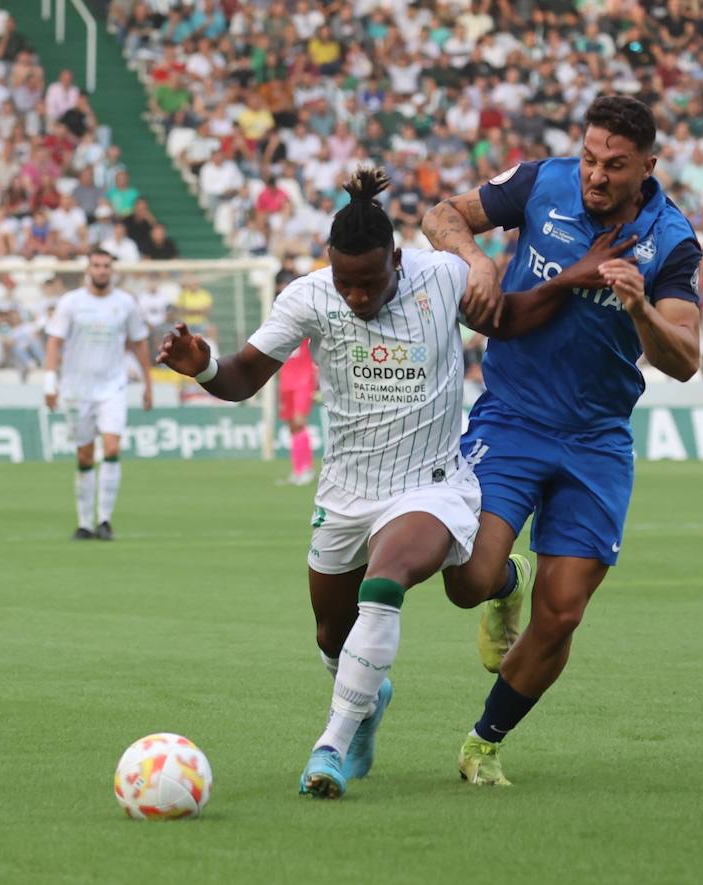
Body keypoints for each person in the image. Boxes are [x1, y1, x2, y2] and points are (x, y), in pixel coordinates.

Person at [157, 167, 634, 799]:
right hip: (346, 492)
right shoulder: (308, 297)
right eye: (346, 282)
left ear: (398, 261)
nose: (357, 296)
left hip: (431, 486)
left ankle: (329, 748)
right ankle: (368, 696)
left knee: (385, 585)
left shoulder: (441, 277)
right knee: (332, 634)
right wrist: (204, 367)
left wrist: (569, 279)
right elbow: (244, 375)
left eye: (370, 282)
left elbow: (508, 318)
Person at [422, 95, 702, 785]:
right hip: (512, 417)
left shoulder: (672, 240)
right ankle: (506, 581)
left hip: (596, 440)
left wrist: (639, 308)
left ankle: (483, 743)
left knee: (564, 612)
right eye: (589, 158)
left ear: (647, 167)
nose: (596, 175)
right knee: (467, 582)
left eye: (615, 165)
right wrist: (476, 260)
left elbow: (685, 358)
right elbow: (441, 215)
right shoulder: (540, 183)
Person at [43, 249, 153, 541]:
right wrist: (50, 382)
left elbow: (140, 343)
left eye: (106, 266)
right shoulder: (71, 302)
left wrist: (148, 383)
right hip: (77, 389)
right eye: (97, 265)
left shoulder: (125, 303)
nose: (102, 270)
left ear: (112, 270)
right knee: (85, 454)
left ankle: (105, 520)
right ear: (88, 269)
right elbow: (54, 342)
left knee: (112, 448)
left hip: (113, 387)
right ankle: (84, 522)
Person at [277, 337, 317, 486]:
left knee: (299, 422)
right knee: (292, 426)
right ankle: (297, 469)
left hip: (303, 380)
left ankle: (307, 469)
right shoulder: (281, 334)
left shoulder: (305, 333)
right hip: (286, 381)